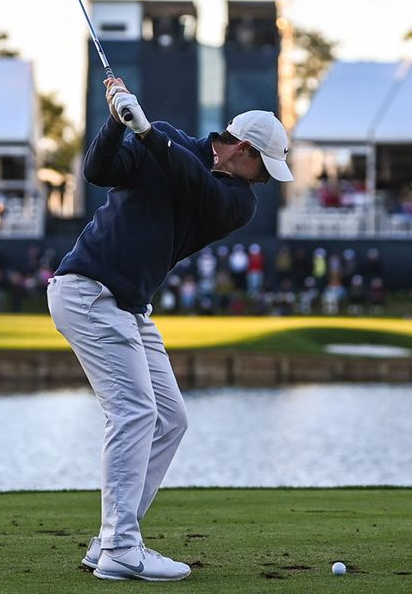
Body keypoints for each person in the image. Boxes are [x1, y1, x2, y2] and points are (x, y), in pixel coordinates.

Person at [47, 77, 292, 582]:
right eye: (263, 169)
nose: (263, 182)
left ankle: (113, 538)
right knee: (135, 411)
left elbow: (196, 186)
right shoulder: (162, 137)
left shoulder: (237, 200)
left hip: (129, 307)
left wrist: (146, 135)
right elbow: (98, 170)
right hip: (89, 292)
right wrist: (116, 125)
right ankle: (120, 548)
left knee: (170, 418)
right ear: (244, 149)